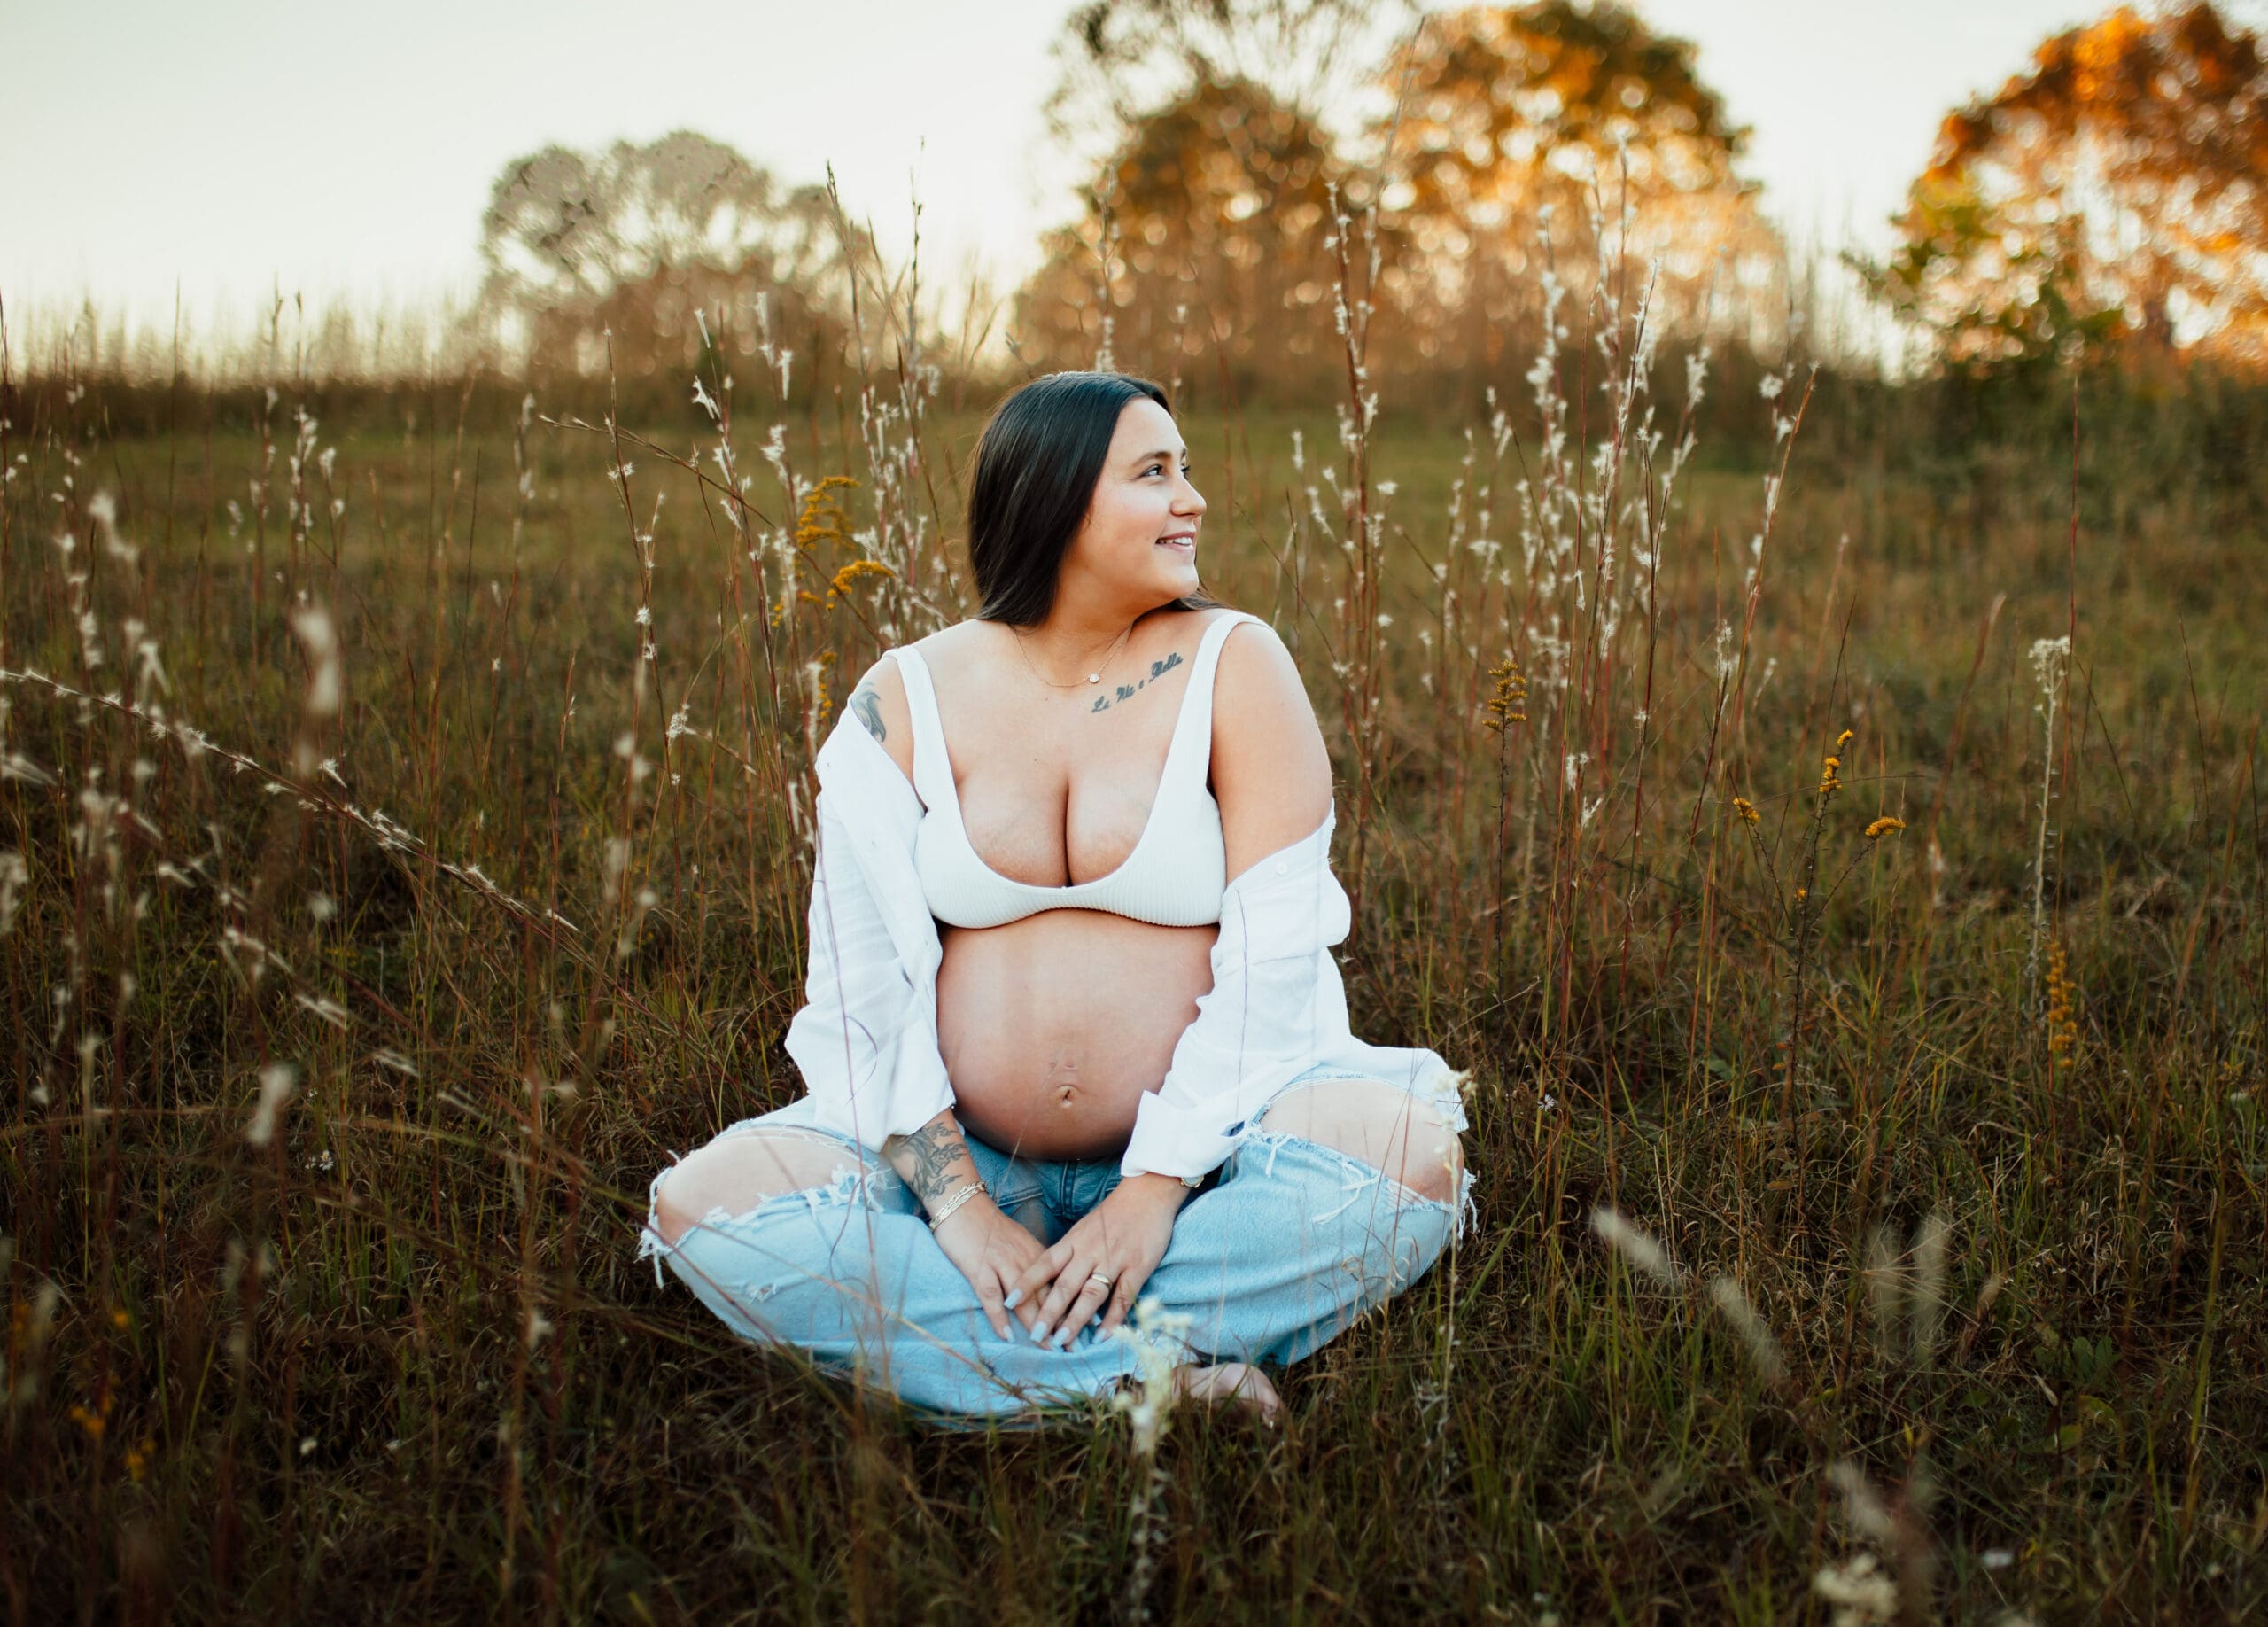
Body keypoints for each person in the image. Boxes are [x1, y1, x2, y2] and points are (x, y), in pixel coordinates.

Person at [638, 371, 1472, 1424]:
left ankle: (1001, 1362)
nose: (1192, 499)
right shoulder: (903, 696)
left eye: (1187, 471)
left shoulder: (1236, 665)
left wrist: (1153, 1190)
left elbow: (1277, 967)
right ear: (1058, 498)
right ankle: (1136, 1382)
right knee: (701, 1212)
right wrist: (961, 1209)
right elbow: (861, 996)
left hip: (1219, 1157)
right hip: (958, 1159)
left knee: (1408, 1163)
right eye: (1155, 473)